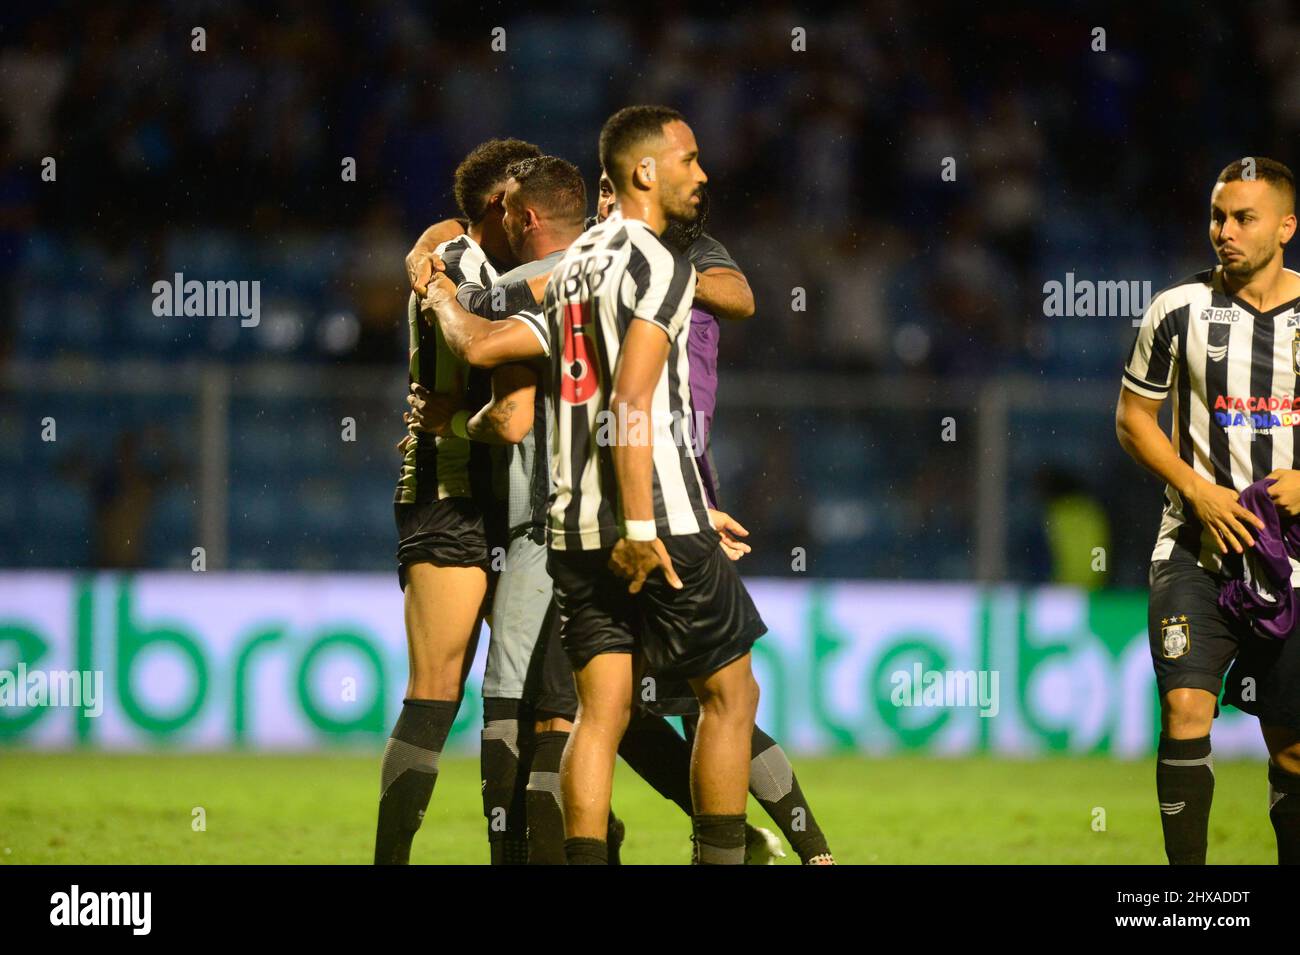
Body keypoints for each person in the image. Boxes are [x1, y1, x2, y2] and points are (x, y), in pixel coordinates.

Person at [1117, 156, 1300, 864]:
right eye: (1219, 216)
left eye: (1243, 217)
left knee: (1290, 744)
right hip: (1194, 552)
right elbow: (1135, 418)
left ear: (1286, 226)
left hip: (1290, 565)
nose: (1224, 230)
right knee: (1185, 708)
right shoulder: (1176, 311)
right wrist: (1196, 488)